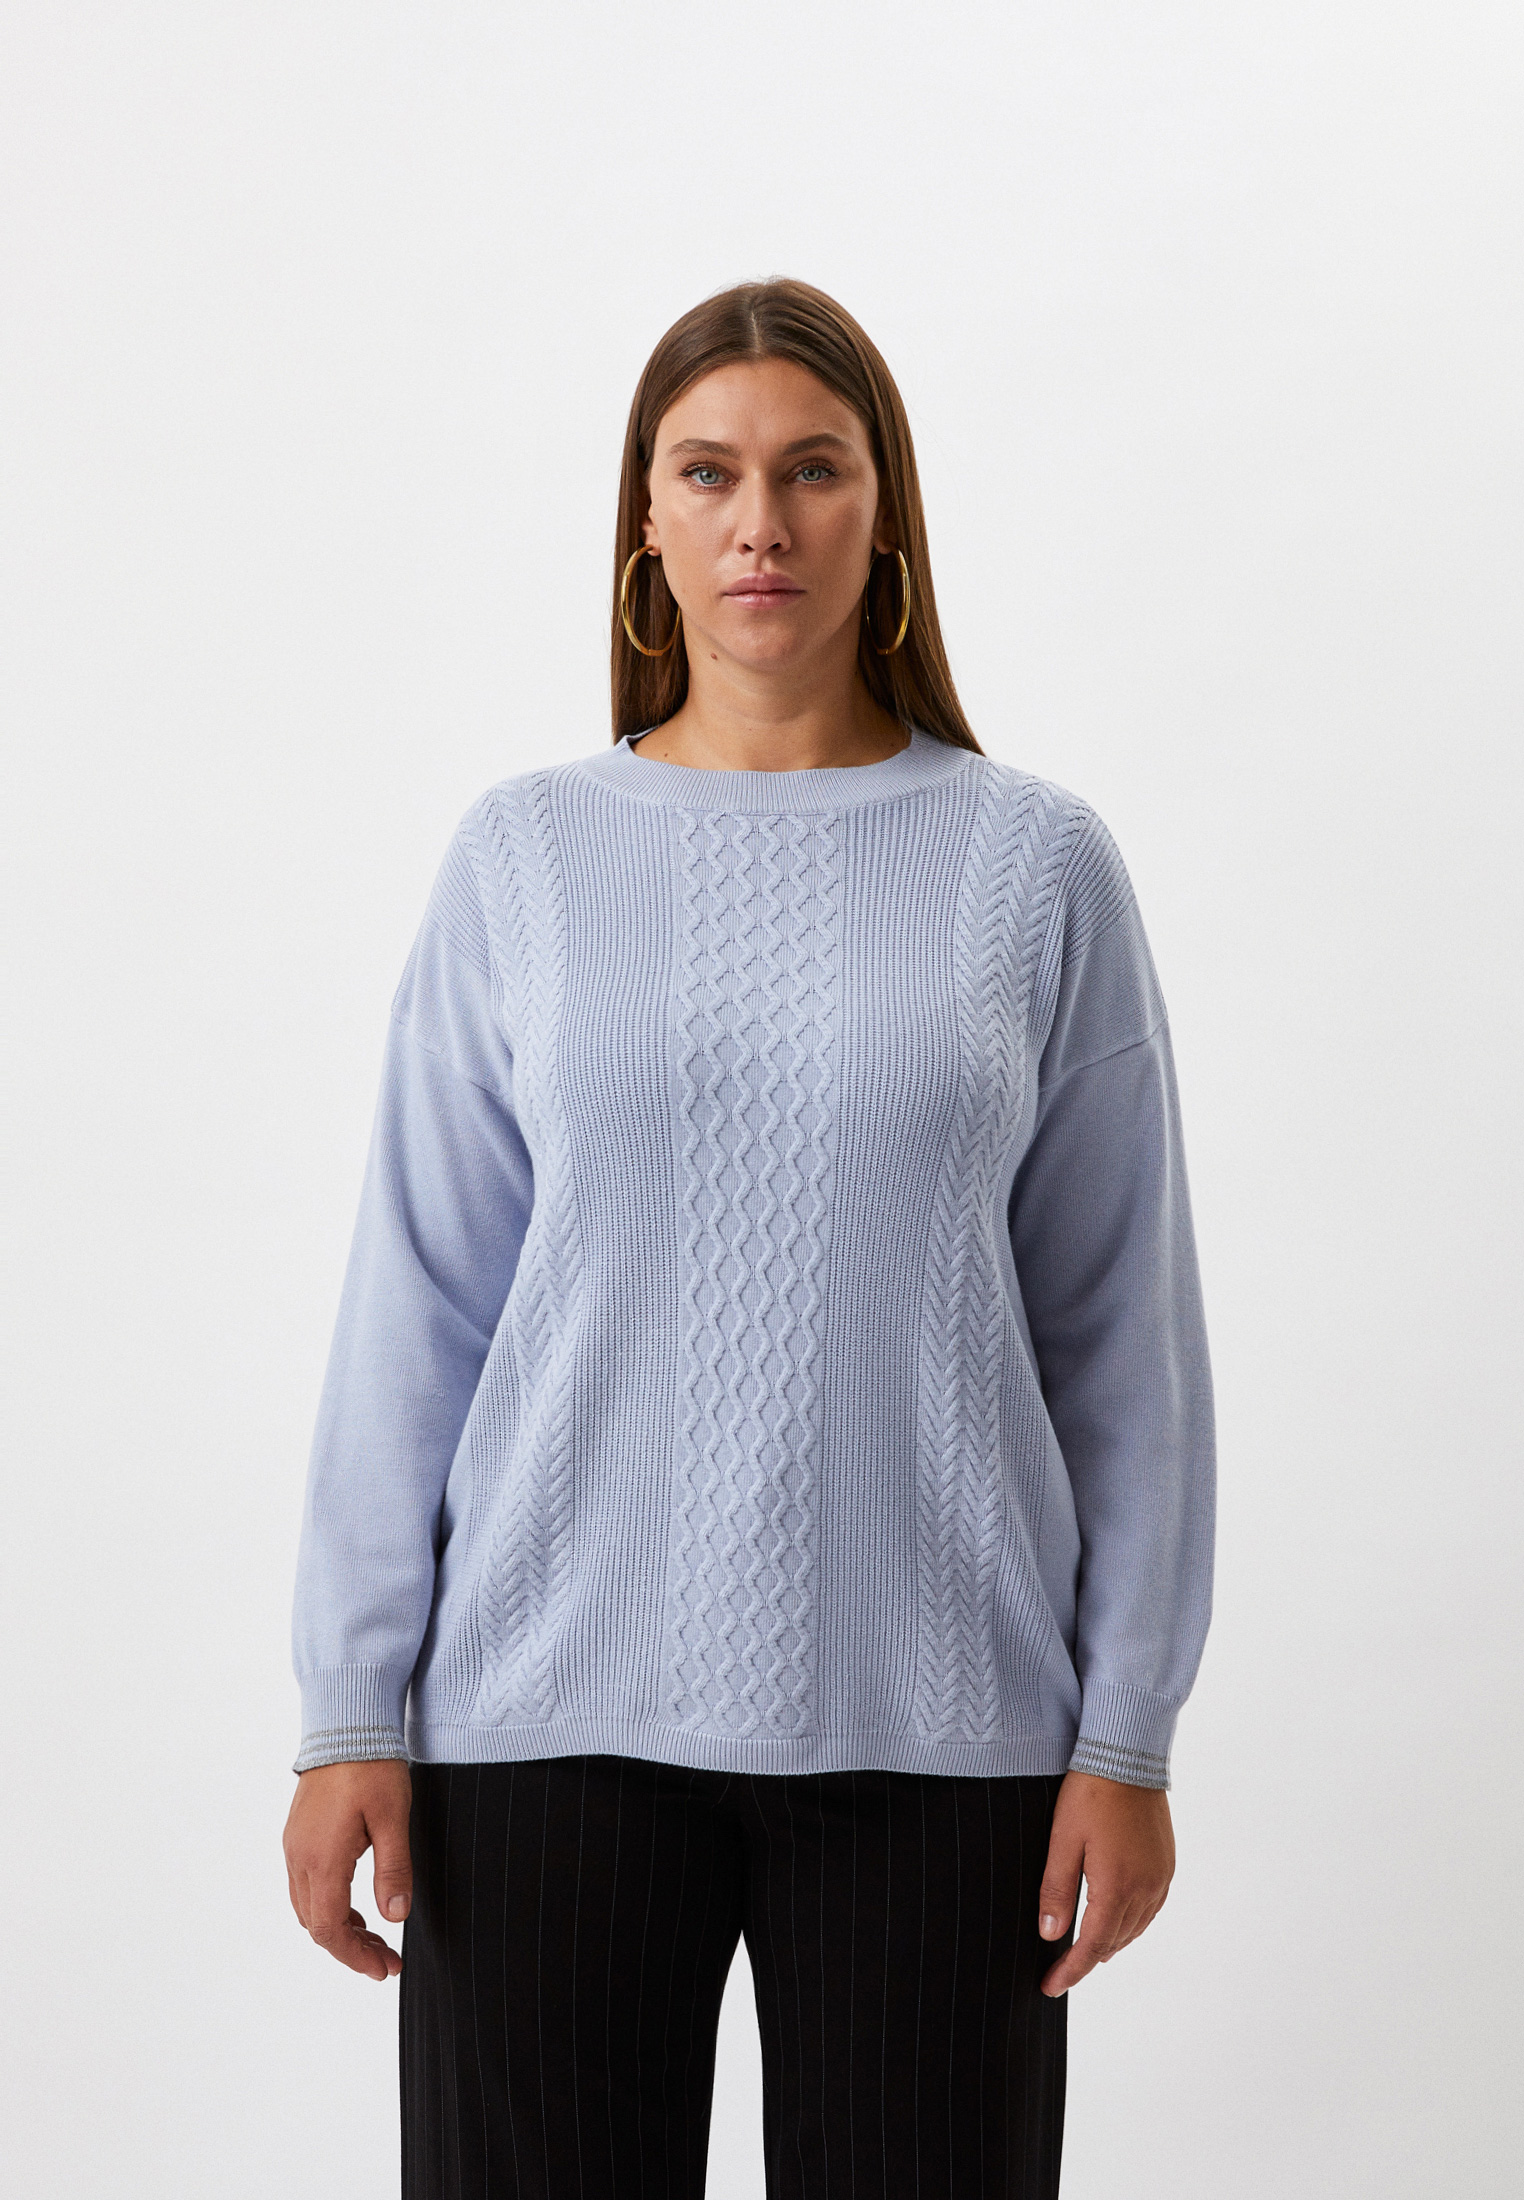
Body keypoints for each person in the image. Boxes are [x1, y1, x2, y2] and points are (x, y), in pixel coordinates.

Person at [282, 277, 1215, 2200]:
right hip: (544, 1720)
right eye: (707, 474)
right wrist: (349, 1707)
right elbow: (420, 1306)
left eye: (813, 470)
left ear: (887, 509)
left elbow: (1122, 1337)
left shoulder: (1034, 866)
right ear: (646, 517)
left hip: (944, 1735)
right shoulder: (527, 858)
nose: (760, 523)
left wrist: (1127, 1734)